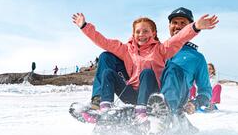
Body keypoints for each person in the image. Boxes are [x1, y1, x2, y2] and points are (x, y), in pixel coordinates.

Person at [72, 11, 218, 122]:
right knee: (106, 57)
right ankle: (101, 105)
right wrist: (85, 27)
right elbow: (103, 41)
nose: (178, 26)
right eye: (175, 22)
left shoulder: (182, 54)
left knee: (161, 70)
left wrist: (196, 27)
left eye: (183, 23)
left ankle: (162, 109)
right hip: (138, 92)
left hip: (169, 96)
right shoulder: (131, 49)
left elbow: (180, 39)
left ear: (153, 33)